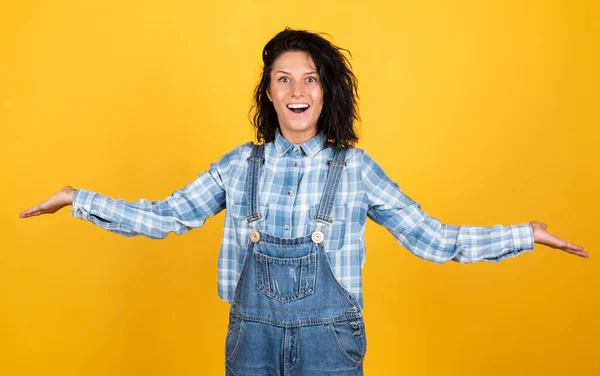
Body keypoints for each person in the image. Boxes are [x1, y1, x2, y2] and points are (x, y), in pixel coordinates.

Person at [19, 28, 588, 376]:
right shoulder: (239, 165)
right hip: (252, 345)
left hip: (330, 348)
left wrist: (525, 233)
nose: (297, 91)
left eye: (310, 79)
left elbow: (434, 239)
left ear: (327, 91)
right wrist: (79, 199)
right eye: (284, 79)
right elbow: (167, 216)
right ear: (268, 91)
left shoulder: (356, 169)